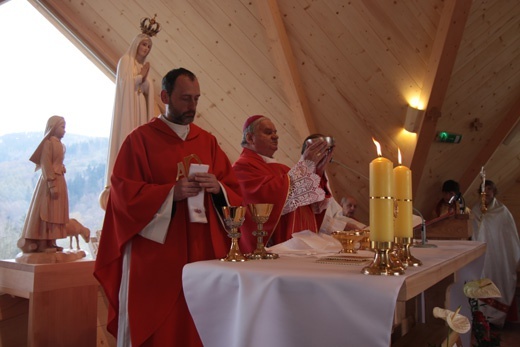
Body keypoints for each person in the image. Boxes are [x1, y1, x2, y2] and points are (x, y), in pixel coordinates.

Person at [94, 68, 242, 347]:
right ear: (165, 96)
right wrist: (170, 194)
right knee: (163, 331)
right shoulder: (140, 141)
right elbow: (123, 196)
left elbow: (234, 191)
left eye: (196, 99)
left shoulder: (207, 141)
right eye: (185, 99)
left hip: (201, 253)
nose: (192, 107)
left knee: (198, 326)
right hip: (158, 258)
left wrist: (217, 188)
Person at [232, 116, 332, 253]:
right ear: (250, 138)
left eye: (275, 132)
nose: (275, 136)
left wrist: (317, 172)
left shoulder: (282, 168)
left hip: (298, 246)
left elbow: (309, 203)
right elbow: (267, 199)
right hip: (273, 247)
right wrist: (305, 165)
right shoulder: (242, 167)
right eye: (268, 132)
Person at [99, 27, 157, 210]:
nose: (146, 49)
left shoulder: (142, 67)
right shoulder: (126, 61)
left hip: (140, 105)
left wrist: (146, 81)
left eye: (148, 46)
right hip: (128, 110)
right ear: (136, 44)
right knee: (127, 136)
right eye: (143, 45)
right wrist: (141, 78)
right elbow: (125, 84)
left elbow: (148, 91)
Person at [471, 180, 520, 327]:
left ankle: (497, 319)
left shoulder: (502, 212)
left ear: (494, 191)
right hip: (482, 257)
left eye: (489, 189)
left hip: (499, 256)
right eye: (483, 189)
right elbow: (473, 233)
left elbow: (510, 237)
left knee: (499, 281)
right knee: (480, 281)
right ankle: (481, 318)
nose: (486, 193)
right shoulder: (475, 210)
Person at [17, 116, 69, 253]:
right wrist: (51, 183)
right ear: (53, 127)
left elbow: (57, 162)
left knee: (56, 213)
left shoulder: (61, 145)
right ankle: (43, 242)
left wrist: (62, 168)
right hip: (49, 182)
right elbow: (46, 164)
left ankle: (52, 240)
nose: (64, 130)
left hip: (60, 179)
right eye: (62, 127)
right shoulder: (48, 144)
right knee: (47, 211)